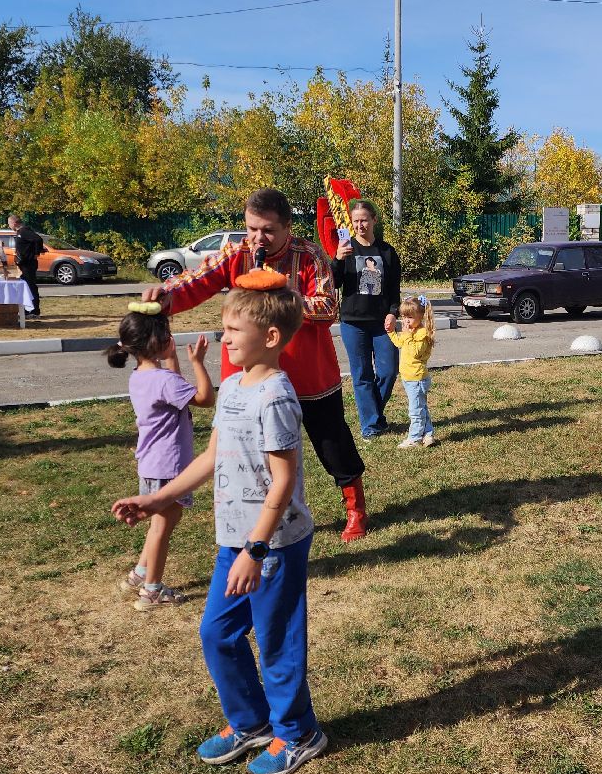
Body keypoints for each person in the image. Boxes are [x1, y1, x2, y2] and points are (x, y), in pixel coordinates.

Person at [112, 270, 327, 774]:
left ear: (270, 338)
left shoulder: (275, 396)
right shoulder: (231, 386)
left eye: (232, 331)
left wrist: (256, 549)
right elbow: (211, 454)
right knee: (217, 632)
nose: (223, 339)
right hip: (234, 539)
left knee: (276, 639)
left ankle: (297, 732)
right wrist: (156, 497)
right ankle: (249, 721)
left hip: (270, 544)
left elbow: (282, 481)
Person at [141, 188, 371, 542]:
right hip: (246, 378)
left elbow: (327, 308)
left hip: (309, 374)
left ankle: (354, 506)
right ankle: (257, 513)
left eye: (268, 231)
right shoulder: (236, 253)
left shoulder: (309, 255)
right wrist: (166, 294)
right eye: (252, 229)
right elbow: (198, 281)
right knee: (242, 448)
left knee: (331, 441)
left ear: (288, 228)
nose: (258, 239)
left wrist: (285, 296)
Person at [106, 306, 216, 610]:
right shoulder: (166, 381)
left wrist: (171, 356)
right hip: (169, 465)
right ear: (156, 342)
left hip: (151, 462)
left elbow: (175, 386)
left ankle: (139, 574)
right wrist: (199, 363)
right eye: (166, 332)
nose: (171, 336)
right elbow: (206, 399)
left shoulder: (142, 376)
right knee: (162, 527)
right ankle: (152, 591)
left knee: (159, 523)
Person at [332, 199, 402, 440]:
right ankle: (371, 426)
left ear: (374, 220)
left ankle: (374, 416)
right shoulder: (346, 250)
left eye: (364, 220)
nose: (360, 225)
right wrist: (338, 259)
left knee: (389, 372)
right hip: (353, 322)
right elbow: (333, 283)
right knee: (362, 375)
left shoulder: (387, 252)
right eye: (355, 221)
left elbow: (394, 289)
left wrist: (393, 312)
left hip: (382, 323)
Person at [388, 295, 435, 449]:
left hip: (417, 379)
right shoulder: (410, 331)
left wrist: (407, 335)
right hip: (409, 377)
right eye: (403, 316)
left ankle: (414, 438)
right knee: (421, 407)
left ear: (420, 316)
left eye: (409, 317)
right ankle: (428, 434)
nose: (405, 321)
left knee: (415, 411)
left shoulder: (421, 334)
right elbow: (399, 343)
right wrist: (391, 332)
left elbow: (415, 352)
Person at [8, 213, 43, 317]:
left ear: (14, 223)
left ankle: (34, 311)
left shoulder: (24, 231)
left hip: (28, 264)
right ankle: (28, 309)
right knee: (25, 287)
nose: (8, 226)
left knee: (30, 286)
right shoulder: (20, 232)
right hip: (23, 263)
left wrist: (36, 253)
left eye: (9, 223)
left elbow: (38, 239)